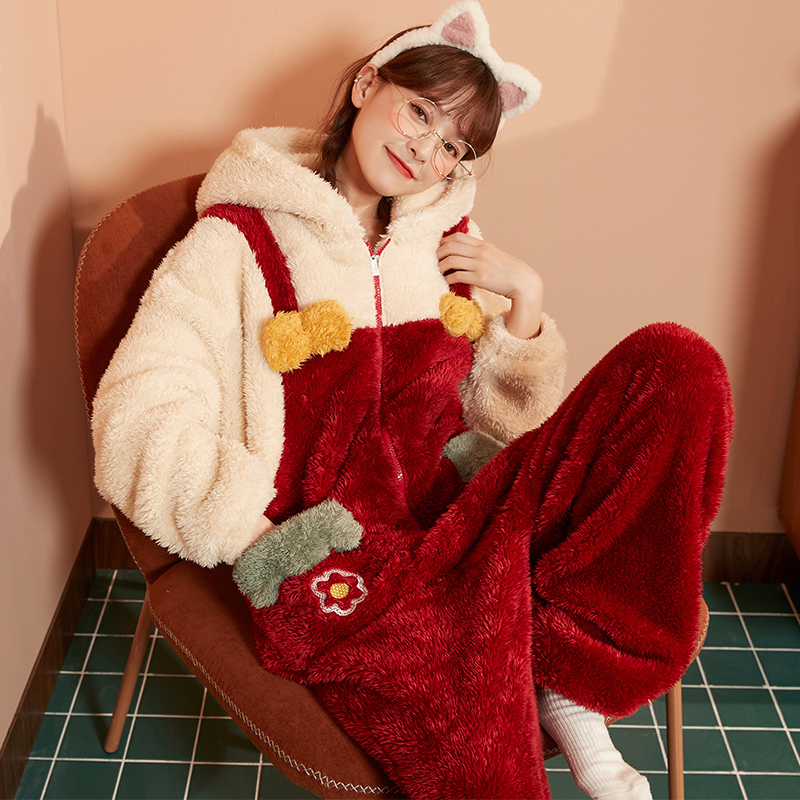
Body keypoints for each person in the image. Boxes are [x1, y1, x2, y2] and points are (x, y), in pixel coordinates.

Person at [91, 2, 733, 798]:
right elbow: (137, 417)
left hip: (468, 520)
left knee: (676, 363)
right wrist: (267, 540)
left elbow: (505, 428)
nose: (426, 150)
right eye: (420, 112)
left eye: (453, 145)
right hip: (354, 563)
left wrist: (525, 302)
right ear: (368, 84)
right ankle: (543, 670)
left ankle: (566, 684)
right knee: (482, 762)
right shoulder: (234, 244)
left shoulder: (447, 246)